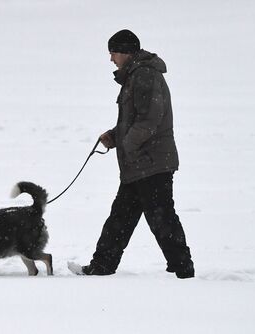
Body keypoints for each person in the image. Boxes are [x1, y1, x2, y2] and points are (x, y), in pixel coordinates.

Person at [70, 29, 194, 278]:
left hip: (151, 163)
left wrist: (127, 145)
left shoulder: (145, 75)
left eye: (113, 52)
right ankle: (102, 266)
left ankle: (183, 269)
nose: (111, 59)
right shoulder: (136, 75)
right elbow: (136, 118)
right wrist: (114, 136)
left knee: (161, 217)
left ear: (125, 52)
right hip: (139, 164)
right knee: (121, 218)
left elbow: (149, 120)